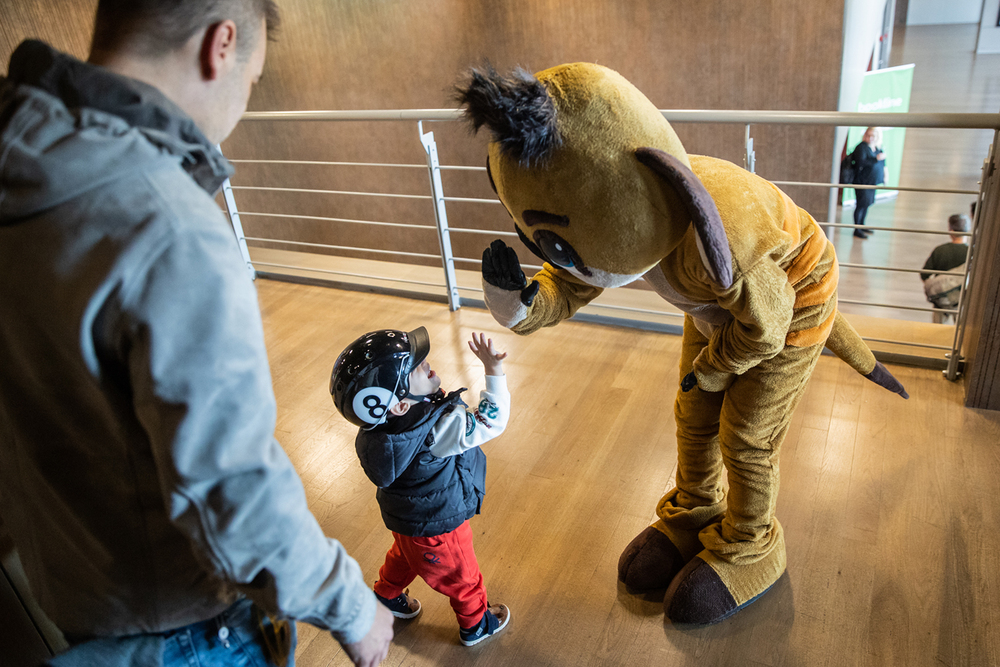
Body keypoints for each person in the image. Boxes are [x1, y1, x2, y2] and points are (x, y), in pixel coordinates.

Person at [0, 2, 394, 666]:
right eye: (254, 79)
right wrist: (350, 605)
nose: (241, 105)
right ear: (222, 44)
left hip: (66, 593)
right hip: (182, 629)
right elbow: (232, 486)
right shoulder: (168, 228)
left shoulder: (24, 165)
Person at [330, 328, 513, 647]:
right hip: (441, 525)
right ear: (400, 405)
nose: (425, 363)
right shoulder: (439, 430)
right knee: (463, 576)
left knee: (405, 553)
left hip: (408, 519)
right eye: (415, 368)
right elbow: (489, 422)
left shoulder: (379, 434)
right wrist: (493, 372)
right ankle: (476, 625)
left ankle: (386, 596)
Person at [921, 214, 971, 324]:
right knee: (961, 331)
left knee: (937, 331)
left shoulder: (940, 250)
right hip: (962, 301)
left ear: (950, 230)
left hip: (941, 301)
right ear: (967, 230)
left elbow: (924, 275)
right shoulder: (972, 254)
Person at [850, 126, 886, 238]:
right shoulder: (861, 147)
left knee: (866, 205)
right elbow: (861, 162)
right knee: (861, 205)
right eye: (868, 135)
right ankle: (857, 229)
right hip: (862, 182)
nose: (870, 138)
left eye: (873, 136)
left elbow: (883, 164)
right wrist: (876, 159)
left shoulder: (877, 148)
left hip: (872, 182)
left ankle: (862, 225)